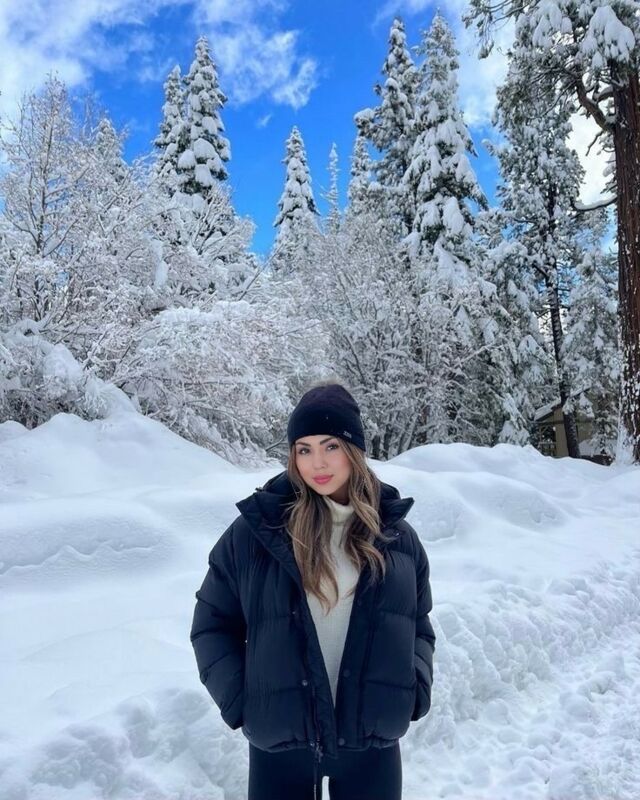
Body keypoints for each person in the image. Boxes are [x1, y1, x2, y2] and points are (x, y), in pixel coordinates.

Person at [190, 381, 435, 800]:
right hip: (281, 747)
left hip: (371, 745)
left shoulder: (396, 538)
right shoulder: (257, 533)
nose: (317, 463)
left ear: (354, 450)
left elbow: (418, 623)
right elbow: (211, 624)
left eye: (330, 446)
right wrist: (242, 701)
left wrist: (414, 689)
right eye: (303, 449)